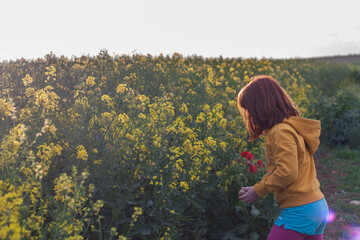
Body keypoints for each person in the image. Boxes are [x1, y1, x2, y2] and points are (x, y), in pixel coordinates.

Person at [236, 75, 329, 240]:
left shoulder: (280, 131)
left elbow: (287, 172)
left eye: (250, 109)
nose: (250, 115)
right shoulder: (292, 127)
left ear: (261, 107)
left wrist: (259, 190)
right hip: (317, 205)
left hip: (300, 210)